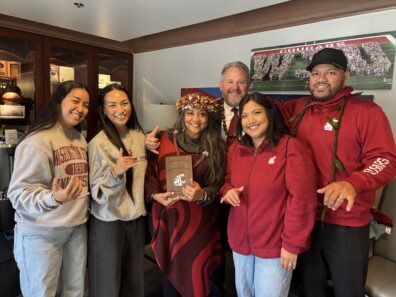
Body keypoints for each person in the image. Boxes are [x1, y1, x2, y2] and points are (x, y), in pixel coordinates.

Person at [276, 47, 396, 297]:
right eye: (315, 73)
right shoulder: (298, 109)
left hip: (347, 225)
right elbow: (262, 113)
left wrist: (354, 182)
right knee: (310, 288)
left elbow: (385, 159)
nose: (321, 79)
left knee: (347, 290)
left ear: (346, 76)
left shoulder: (367, 112)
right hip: (304, 220)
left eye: (330, 72)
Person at [219, 93, 317, 297]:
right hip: (240, 244)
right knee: (243, 293)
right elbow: (226, 181)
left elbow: (302, 200)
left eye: (257, 113)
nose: (250, 120)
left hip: (275, 246)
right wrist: (227, 191)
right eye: (245, 116)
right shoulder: (236, 149)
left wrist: (292, 244)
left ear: (270, 115)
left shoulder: (291, 148)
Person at [7, 81, 90, 297]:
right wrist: (53, 198)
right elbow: (18, 194)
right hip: (41, 233)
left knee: (75, 291)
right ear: (58, 101)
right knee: (41, 293)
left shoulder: (79, 138)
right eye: (75, 101)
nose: (80, 108)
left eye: (86, 104)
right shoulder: (37, 140)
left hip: (75, 229)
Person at [145, 93, 226, 297]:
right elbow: (149, 172)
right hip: (169, 220)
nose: (195, 119)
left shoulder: (217, 147)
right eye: (190, 113)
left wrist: (201, 194)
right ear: (182, 115)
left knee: (200, 272)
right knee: (171, 272)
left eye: (202, 114)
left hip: (200, 222)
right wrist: (156, 195)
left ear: (209, 118)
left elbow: (218, 185)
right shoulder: (162, 140)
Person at [87, 84, 147, 297]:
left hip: (136, 219)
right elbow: (97, 191)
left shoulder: (140, 138)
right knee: (107, 282)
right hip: (108, 221)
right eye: (112, 105)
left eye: (124, 103)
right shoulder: (98, 143)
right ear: (104, 110)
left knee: (135, 280)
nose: (120, 109)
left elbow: (144, 178)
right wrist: (116, 171)